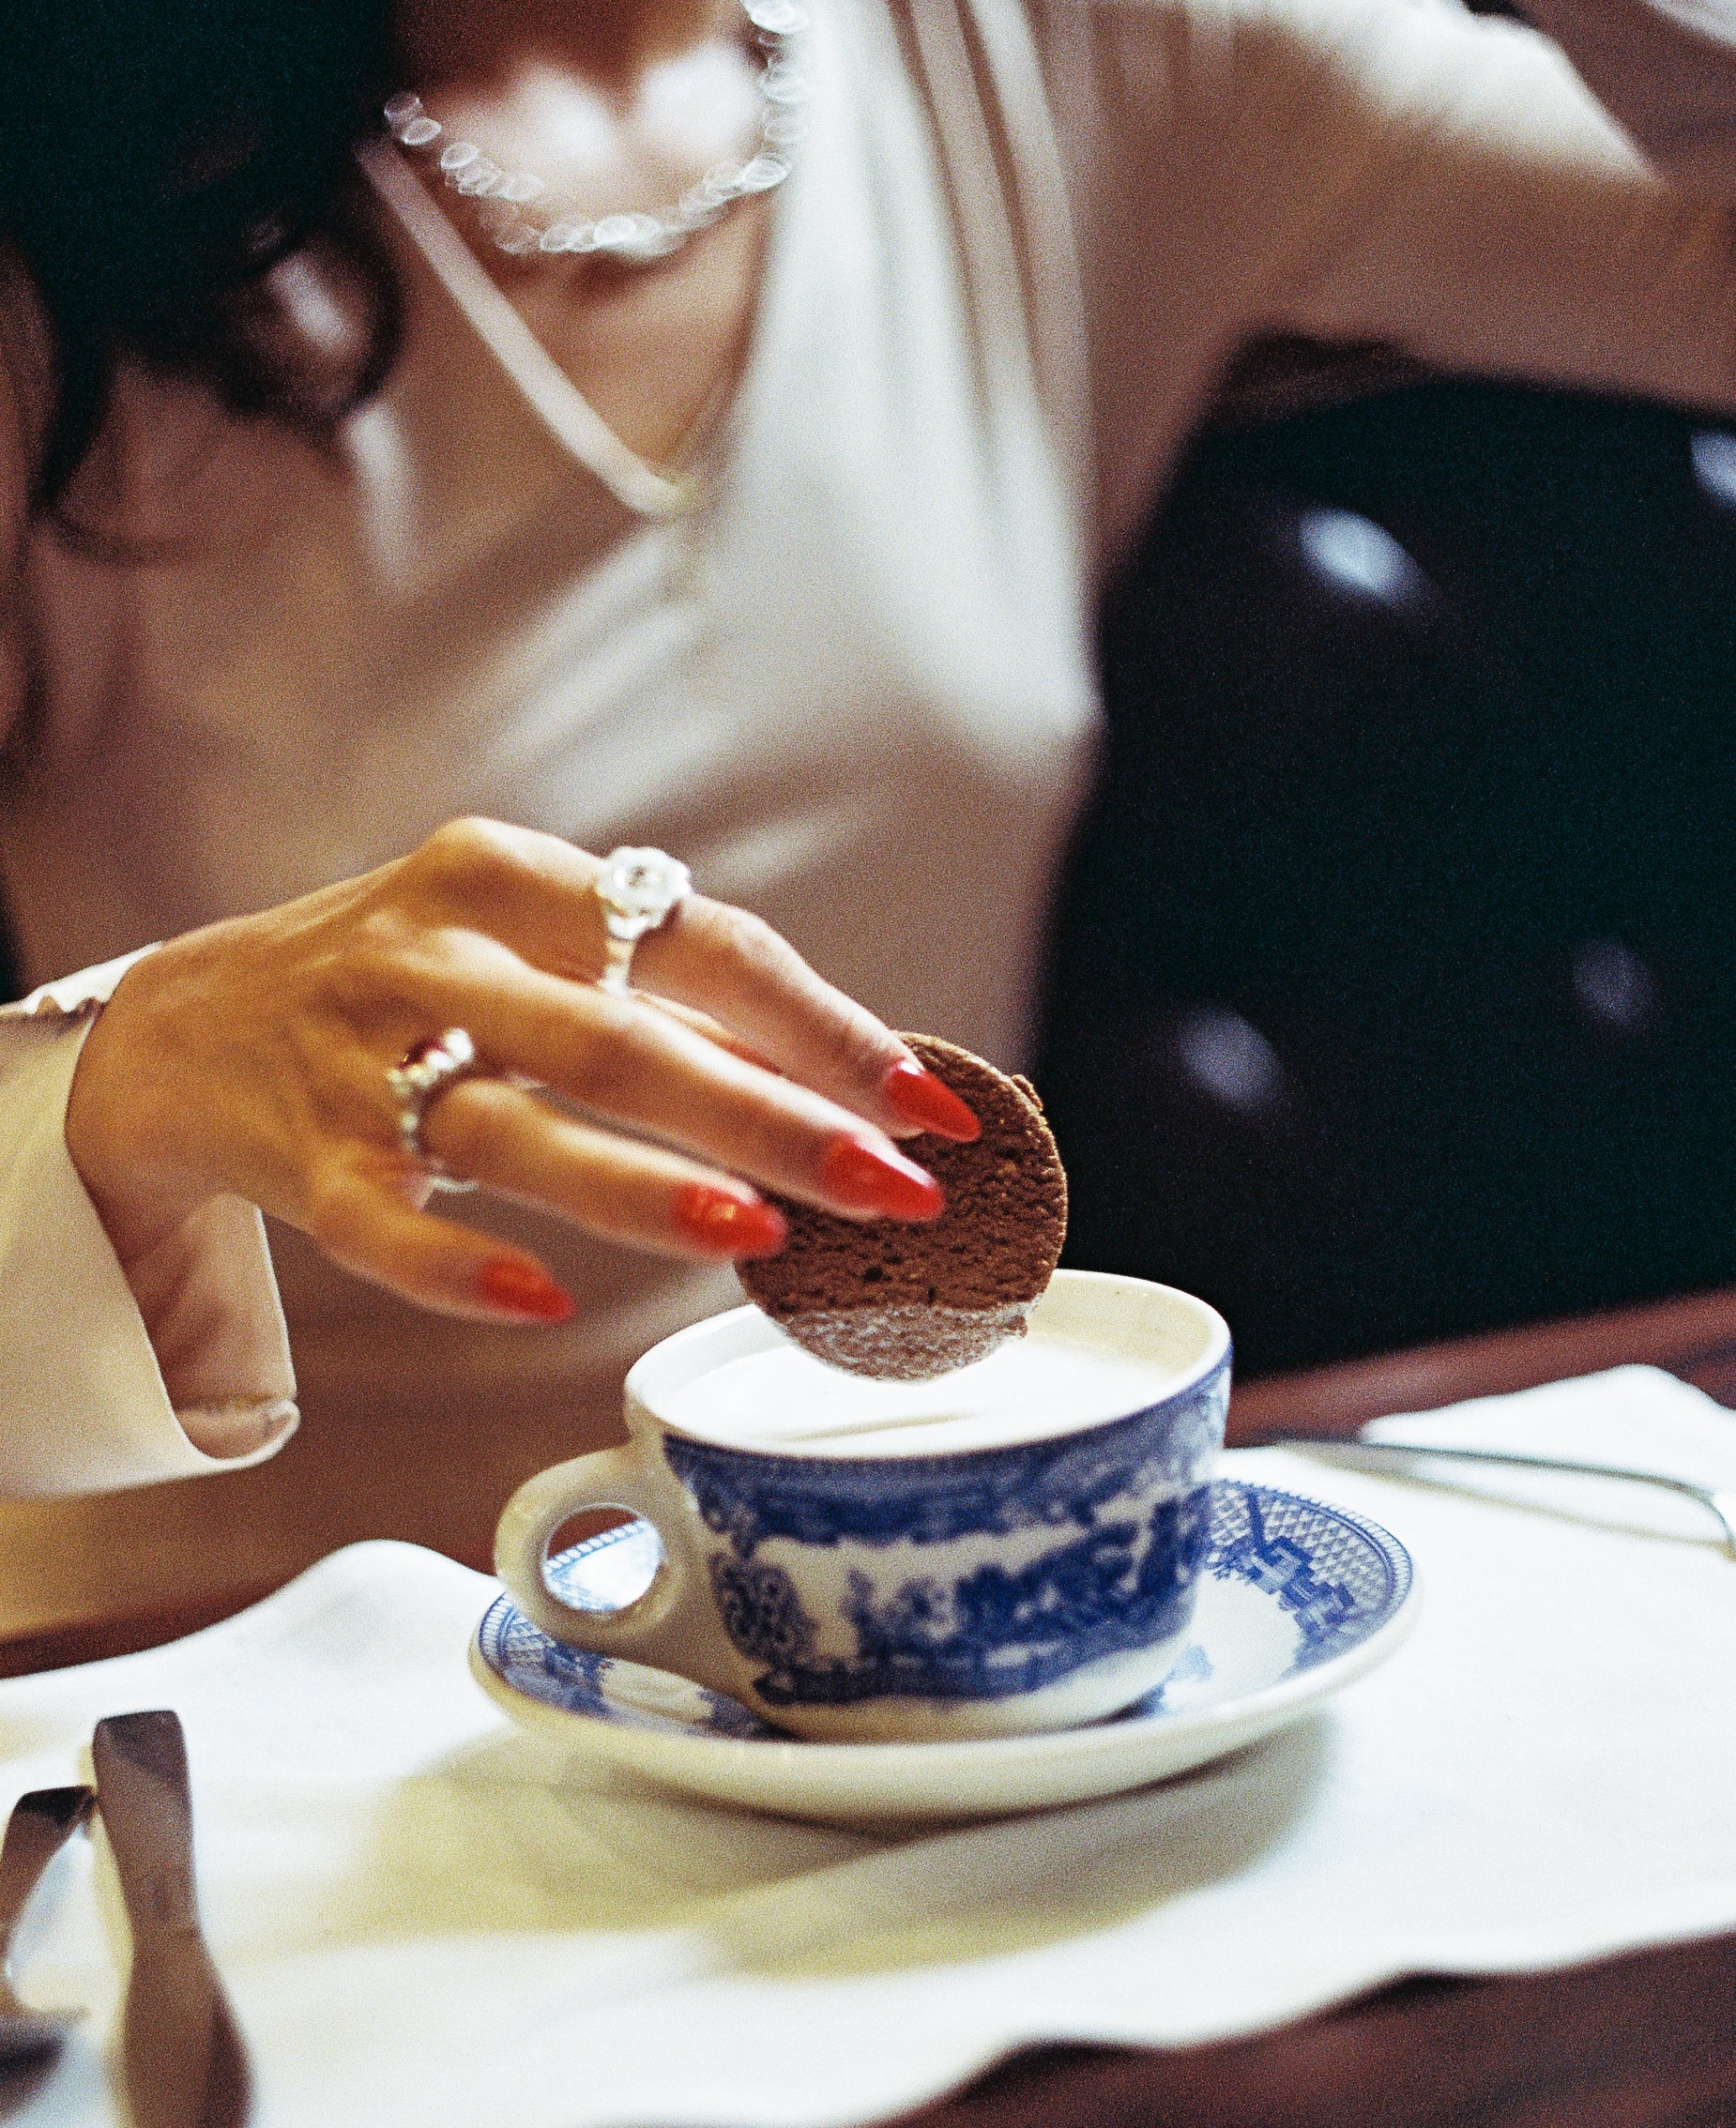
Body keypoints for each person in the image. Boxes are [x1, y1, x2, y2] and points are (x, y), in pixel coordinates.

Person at [5, 0, 1736, 1577]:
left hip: (891, 1611)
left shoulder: (1086, 47)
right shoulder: (58, 215)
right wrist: (127, 1082)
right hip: (207, 1667)